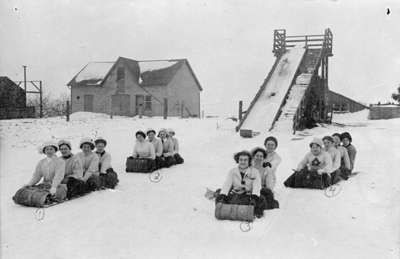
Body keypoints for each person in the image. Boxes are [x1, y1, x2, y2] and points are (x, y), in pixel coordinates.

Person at [215, 150, 266, 218]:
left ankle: (255, 212)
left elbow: (257, 186)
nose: (243, 162)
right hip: (236, 194)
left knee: (261, 199)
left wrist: (254, 197)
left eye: (245, 160)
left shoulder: (255, 172)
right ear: (238, 160)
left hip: (248, 196)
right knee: (219, 196)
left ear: (249, 161)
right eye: (241, 160)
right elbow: (227, 184)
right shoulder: (232, 171)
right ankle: (224, 209)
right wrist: (223, 195)